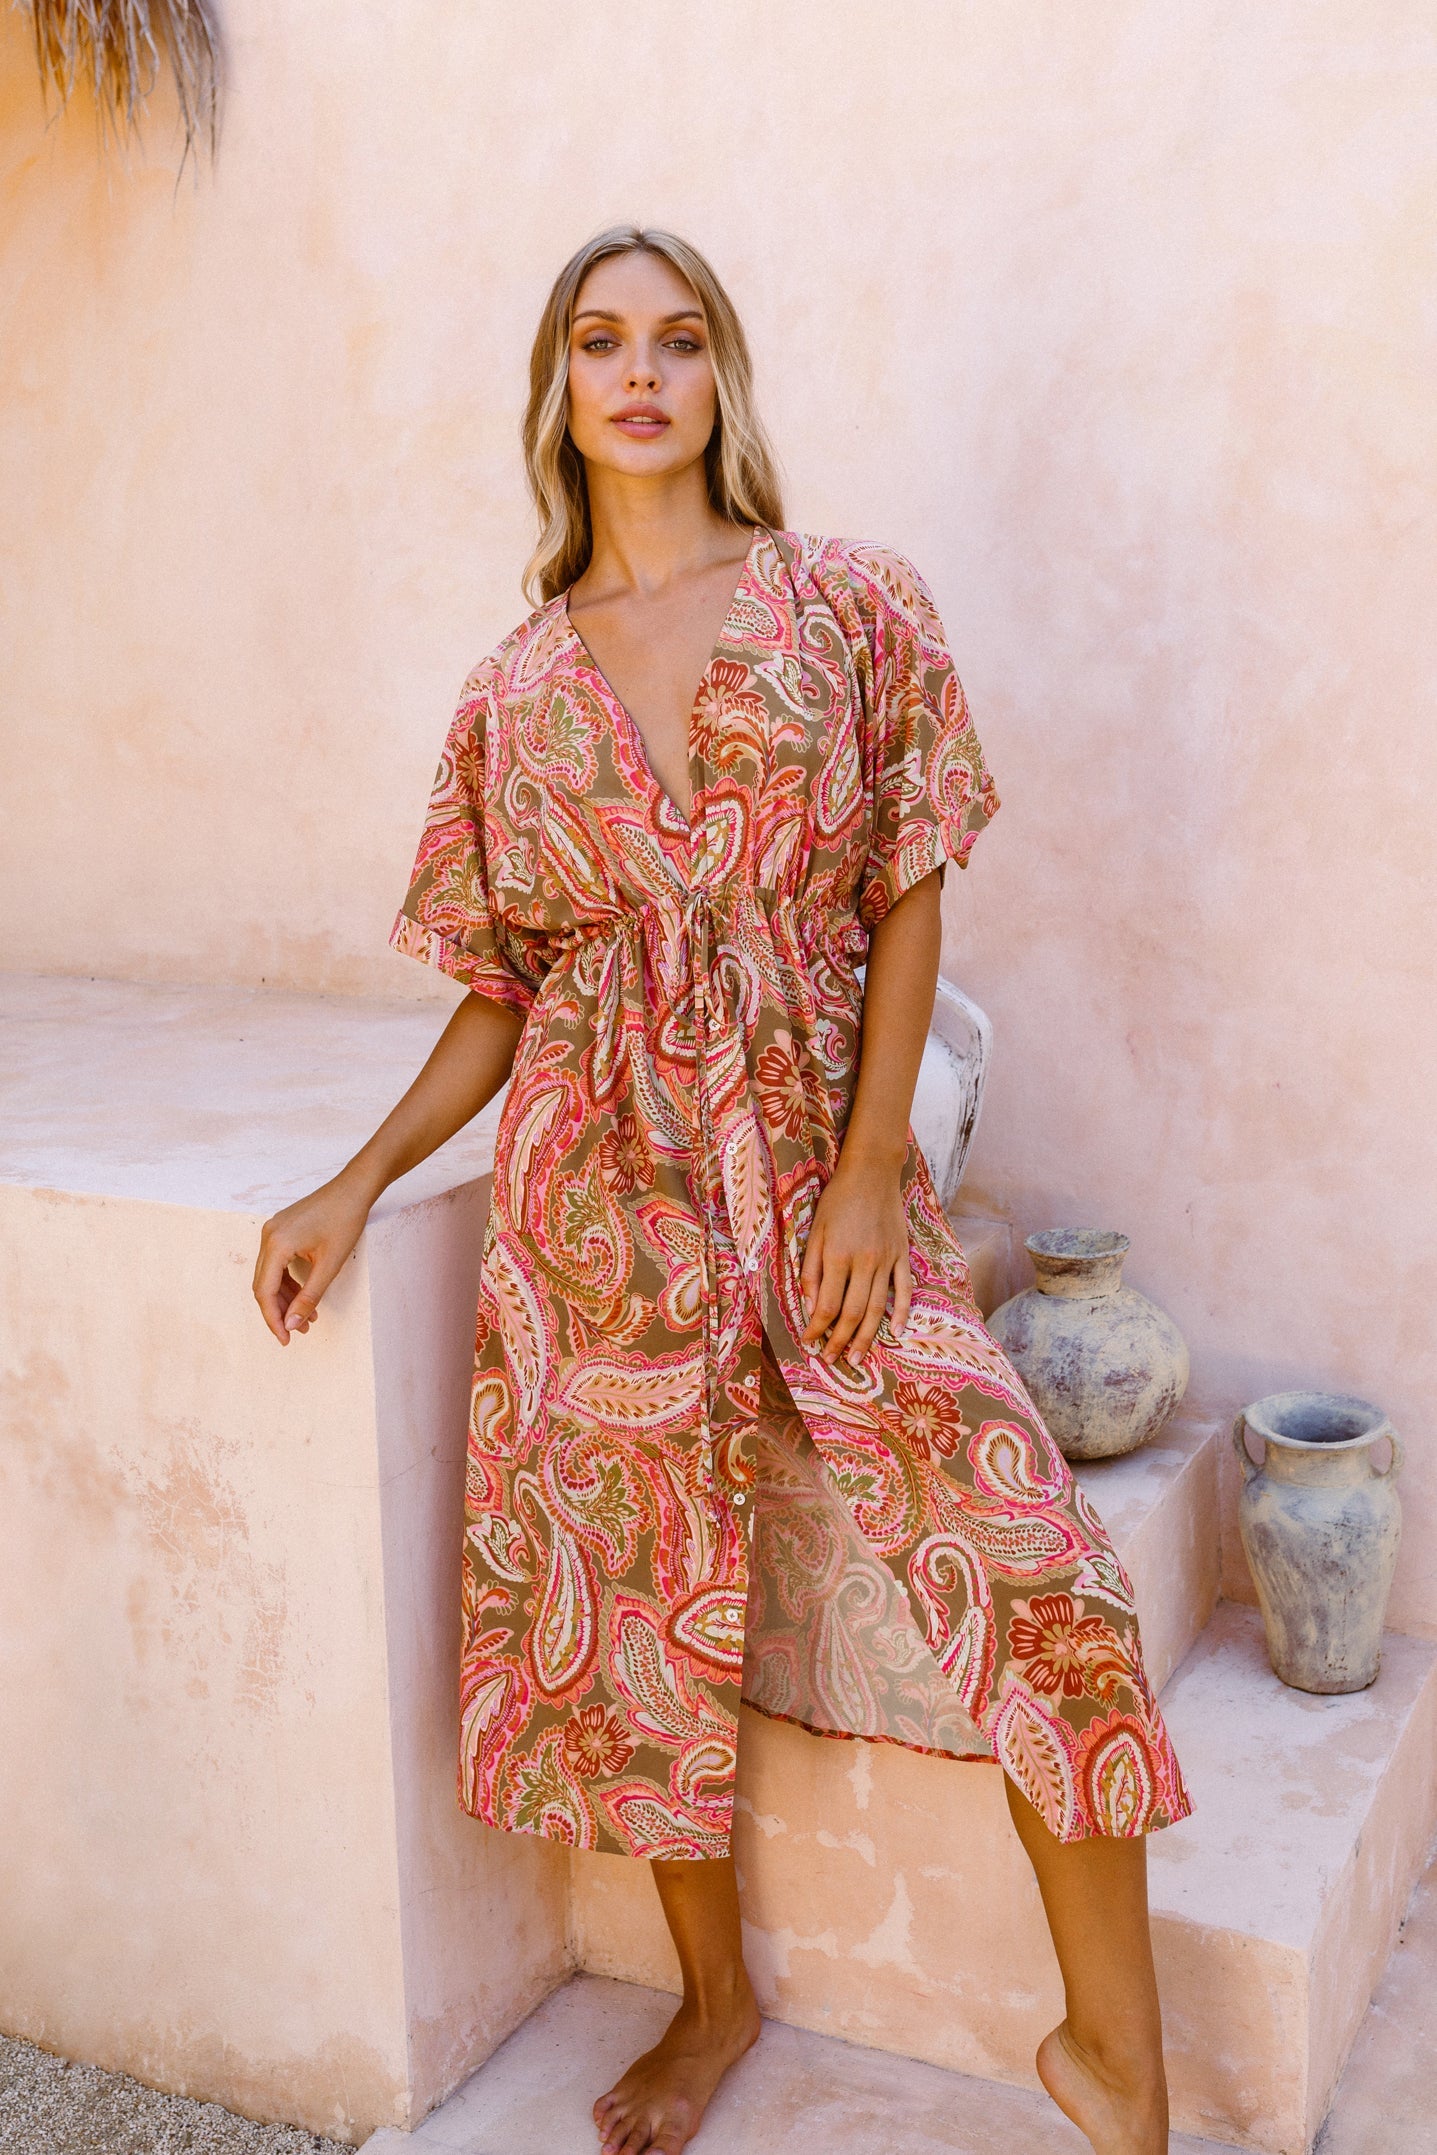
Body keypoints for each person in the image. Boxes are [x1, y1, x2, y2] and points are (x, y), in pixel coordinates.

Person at [254, 225, 1190, 2155]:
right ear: (560, 394)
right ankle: (710, 2000)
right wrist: (350, 1185)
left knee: (1044, 1571)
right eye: (600, 342)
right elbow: (503, 992)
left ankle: (1118, 2061)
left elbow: (905, 882)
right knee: (630, 1608)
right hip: (597, 1205)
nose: (641, 372)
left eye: (679, 340)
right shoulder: (512, 696)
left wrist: (865, 1177)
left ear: (720, 380)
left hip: (814, 1184)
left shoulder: (846, 602)